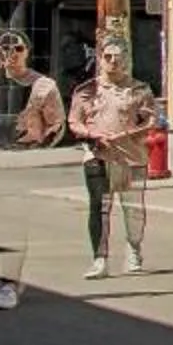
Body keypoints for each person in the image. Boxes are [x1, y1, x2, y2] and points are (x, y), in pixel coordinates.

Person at [67, 34, 157, 279]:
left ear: (127, 59)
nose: (113, 62)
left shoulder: (139, 89)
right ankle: (100, 259)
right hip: (98, 155)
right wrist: (92, 134)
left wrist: (127, 134)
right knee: (99, 207)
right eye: (108, 57)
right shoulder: (88, 90)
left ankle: (133, 250)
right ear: (100, 58)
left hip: (132, 157)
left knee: (133, 208)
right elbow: (74, 121)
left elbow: (150, 120)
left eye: (119, 57)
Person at [0, 32, 63, 147]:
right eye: (5, 48)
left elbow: (56, 125)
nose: (12, 53)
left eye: (18, 48)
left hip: (28, 152)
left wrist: (39, 150)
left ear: (27, 52)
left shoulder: (45, 85)